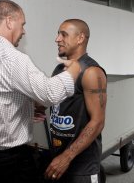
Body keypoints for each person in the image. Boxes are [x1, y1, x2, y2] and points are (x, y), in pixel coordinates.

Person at [0, 0, 81, 183]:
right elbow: (51, 94)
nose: (23, 31)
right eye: (22, 24)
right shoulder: (13, 59)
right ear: (9, 21)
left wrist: (24, 108)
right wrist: (73, 71)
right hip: (8, 161)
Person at [44, 19, 107, 183]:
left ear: (80, 38)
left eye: (63, 34)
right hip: (58, 161)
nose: (57, 39)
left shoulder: (92, 72)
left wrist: (67, 156)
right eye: (58, 34)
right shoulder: (59, 69)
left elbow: (98, 122)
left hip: (82, 168)